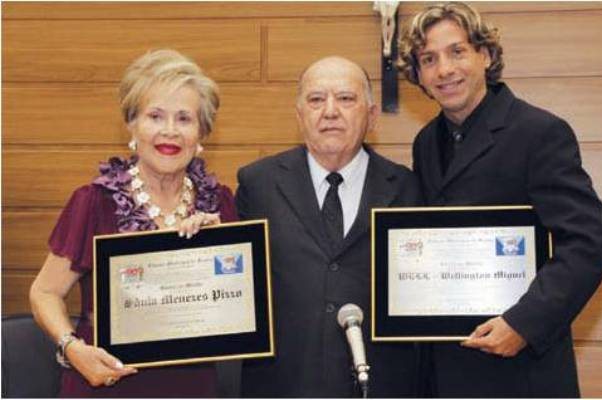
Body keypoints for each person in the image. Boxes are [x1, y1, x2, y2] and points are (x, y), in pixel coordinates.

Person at [397, 2, 602, 397]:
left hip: (521, 372)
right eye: (429, 59)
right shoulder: (425, 143)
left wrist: (524, 324)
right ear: (420, 76)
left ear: (486, 54)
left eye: (457, 51)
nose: (444, 69)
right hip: (445, 372)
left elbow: (589, 240)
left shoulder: (539, 132)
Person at [29, 49, 237, 397]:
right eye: (155, 116)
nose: (169, 132)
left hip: (192, 384)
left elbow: (235, 305)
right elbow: (45, 292)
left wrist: (219, 246)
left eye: (184, 119)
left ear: (202, 132)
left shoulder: (221, 203)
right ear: (132, 124)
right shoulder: (94, 201)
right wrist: (72, 349)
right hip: (107, 380)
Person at [236, 56, 421, 397]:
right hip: (282, 385)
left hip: (383, 385)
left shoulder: (408, 187)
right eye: (316, 99)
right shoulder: (257, 183)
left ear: (372, 115)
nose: (330, 111)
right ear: (299, 116)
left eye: (346, 99)